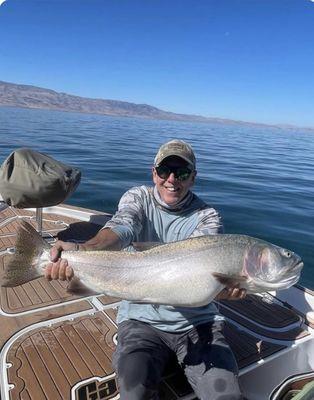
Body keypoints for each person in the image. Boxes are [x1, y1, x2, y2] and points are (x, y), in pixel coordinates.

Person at [45, 139, 245, 400]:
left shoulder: (207, 216)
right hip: (141, 321)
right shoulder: (137, 197)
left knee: (226, 395)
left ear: (193, 178)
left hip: (198, 323)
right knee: (133, 392)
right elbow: (122, 227)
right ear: (154, 173)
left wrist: (221, 291)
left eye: (182, 172)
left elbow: (199, 277)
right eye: (165, 171)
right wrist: (81, 251)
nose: (172, 179)